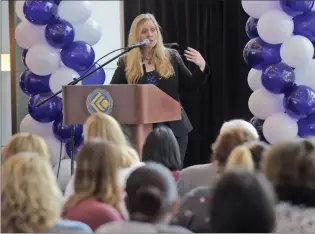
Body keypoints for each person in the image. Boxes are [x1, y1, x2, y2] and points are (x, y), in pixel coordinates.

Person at [111, 13, 210, 164]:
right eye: (144, 31)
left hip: (175, 128)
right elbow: (114, 93)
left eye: (153, 30)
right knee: (148, 176)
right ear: (136, 36)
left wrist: (202, 66)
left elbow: (190, 86)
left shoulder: (171, 56)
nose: (150, 35)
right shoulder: (126, 62)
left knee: (174, 175)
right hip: (142, 131)